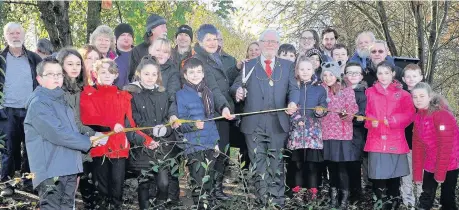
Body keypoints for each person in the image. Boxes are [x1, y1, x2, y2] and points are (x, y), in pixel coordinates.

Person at [232, 29, 299, 207]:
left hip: (278, 122)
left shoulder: (287, 66)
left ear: (277, 45)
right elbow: (236, 85)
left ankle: (277, 201)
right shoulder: (249, 64)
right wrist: (237, 91)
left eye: (274, 42)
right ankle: (263, 201)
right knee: (258, 163)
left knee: (276, 162)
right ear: (260, 44)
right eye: (266, 41)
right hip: (253, 124)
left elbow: (294, 88)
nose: (270, 44)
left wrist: (293, 102)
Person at [23, 57, 100, 209]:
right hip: (50, 171)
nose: (56, 78)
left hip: (69, 167)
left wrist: (89, 136)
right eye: (50, 74)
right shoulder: (39, 103)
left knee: (66, 206)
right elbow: (57, 133)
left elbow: (72, 129)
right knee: (51, 206)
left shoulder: (62, 99)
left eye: (59, 74)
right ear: (39, 79)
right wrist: (86, 142)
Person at [80, 59, 151, 209]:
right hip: (99, 146)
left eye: (111, 72)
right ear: (95, 74)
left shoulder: (123, 95)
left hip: (119, 148)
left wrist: (147, 140)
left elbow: (130, 124)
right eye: (103, 72)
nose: (107, 75)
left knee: (117, 186)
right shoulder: (88, 93)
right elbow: (88, 118)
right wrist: (111, 126)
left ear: (116, 75)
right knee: (102, 187)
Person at [55, 48, 109, 209]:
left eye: (78, 64)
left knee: (74, 183)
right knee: (60, 188)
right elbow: (68, 123)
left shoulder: (79, 89)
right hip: (62, 144)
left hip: (78, 142)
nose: (74, 67)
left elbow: (78, 121)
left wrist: (95, 134)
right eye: (69, 64)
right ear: (60, 65)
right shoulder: (58, 91)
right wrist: (93, 135)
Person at [191, 24, 236, 201]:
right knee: (210, 153)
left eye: (215, 39)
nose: (212, 42)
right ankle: (206, 191)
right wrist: (224, 106)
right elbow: (213, 88)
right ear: (200, 41)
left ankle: (217, 188)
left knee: (222, 151)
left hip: (222, 112)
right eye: (208, 39)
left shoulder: (217, 57)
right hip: (209, 114)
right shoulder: (199, 60)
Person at [124, 56, 175, 210]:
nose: (150, 78)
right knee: (144, 184)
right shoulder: (132, 94)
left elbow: (168, 117)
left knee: (164, 183)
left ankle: (160, 206)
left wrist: (166, 128)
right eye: (146, 74)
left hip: (161, 146)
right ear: (139, 73)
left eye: (154, 74)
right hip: (142, 146)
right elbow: (133, 121)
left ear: (158, 76)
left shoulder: (163, 94)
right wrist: (149, 134)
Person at [364, 61, 415, 209]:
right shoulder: (370, 92)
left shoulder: (403, 94)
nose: (383, 76)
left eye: (387, 73)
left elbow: (409, 114)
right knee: (377, 178)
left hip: (395, 140)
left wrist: (393, 120)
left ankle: (394, 204)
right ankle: (379, 205)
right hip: (376, 140)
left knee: (394, 179)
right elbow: (366, 113)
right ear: (376, 75)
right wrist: (370, 122)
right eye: (380, 73)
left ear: (393, 74)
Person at [0, 22, 42, 196]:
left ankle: (28, 181)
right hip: (6, 111)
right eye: (11, 33)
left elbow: (43, 82)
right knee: (8, 148)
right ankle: (7, 184)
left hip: (30, 110)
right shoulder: (1, 59)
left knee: (31, 147)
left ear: (23, 36)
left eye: (18, 33)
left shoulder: (34, 58)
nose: (15, 36)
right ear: (5, 37)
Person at [176, 58, 222, 209]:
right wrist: (193, 126)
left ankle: (208, 205)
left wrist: (216, 143)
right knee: (198, 179)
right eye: (191, 72)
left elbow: (212, 120)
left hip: (209, 142)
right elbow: (180, 124)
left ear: (203, 74)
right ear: (185, 74)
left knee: (209, 178)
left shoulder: (208, 92)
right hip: (193, 144)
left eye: (198, 72)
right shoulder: (181, 95)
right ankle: (200, 206)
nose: (195, 75)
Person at [411, 82, 459, 210]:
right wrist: (417, 175)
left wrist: (440, 174)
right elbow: (417, 146)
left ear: (430, 97)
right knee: (426, 196)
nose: (418, 100)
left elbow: (446, 146)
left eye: (422, 96)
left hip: (449, 163)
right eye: (415, 97)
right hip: (431, 161)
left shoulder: (442, 115)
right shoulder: (419, 116)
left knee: (447, 199)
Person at [147, 37, 182, 205]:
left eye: (166, 51)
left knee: (170, 159)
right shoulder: (142, 68)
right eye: (158, 50)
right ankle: (154, 195)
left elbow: (172, 96)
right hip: (147, 121)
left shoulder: (173, 71)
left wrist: (172, 116)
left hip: (166, 119)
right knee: (152, 159)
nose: (162, 54)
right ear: (150, 50)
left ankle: (173, 197)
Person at [287, 55, 327, 201]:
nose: (305, 72)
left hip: (313, 131)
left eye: (308, 69)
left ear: (313, 70)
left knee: (311, 164)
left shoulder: (319, 89)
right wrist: (296, 119)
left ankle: (313, 191)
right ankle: (297, 191)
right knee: (297, 163)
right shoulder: (293, 86)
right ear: (297, 70)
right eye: (302, 69)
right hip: (297, 131)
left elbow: (323, 106)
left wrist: (320, 111)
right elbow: (289, 105)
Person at [320, 61, 358, 208]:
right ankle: (333, 196)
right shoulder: (321, 89)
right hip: (327, 134)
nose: (328, 77)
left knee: (342, 167)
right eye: (325, 75)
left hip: (342, 135)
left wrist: (346, 115)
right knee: (331, 167)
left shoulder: (346, 90)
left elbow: (353, 108)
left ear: (337, 75)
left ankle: (344, 198)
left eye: (331, 74)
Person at [400, 64, 424, 208]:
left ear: (420, 77)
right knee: (406, 174)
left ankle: (423, 200)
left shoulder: (427, 96)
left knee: (421, 175)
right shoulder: (401, 95)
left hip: (423, 144)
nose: (411, 79)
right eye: (408, 76)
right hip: (405, 142)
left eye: (414, 76)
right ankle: (408, 202)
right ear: (403, 78)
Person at [343, 62, 368, 203]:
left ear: (361, 76)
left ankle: (356, 196)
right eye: (349, 72)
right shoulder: (339, 90)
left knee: (353, 165)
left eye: (356, 73)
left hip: (356, 136)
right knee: (341, 165)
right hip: (339, 135)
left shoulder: (364, 93)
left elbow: (362, 116)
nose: (352, 76)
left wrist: (350, 117)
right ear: (345, 75)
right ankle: (343, 193)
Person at [129, 14, 167, 81]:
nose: (166, 30)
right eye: (162, 27)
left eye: (166, 27)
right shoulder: (138, 51)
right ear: (152, 30)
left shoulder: (169, 51)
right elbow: (132, 76)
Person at [114, 23, 135, 88]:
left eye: (129, 35)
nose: (126, 38)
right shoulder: (110, 55)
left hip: (138, 95)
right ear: (116, 38)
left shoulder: (139, 54)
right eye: (123, 35)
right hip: (115, 95)